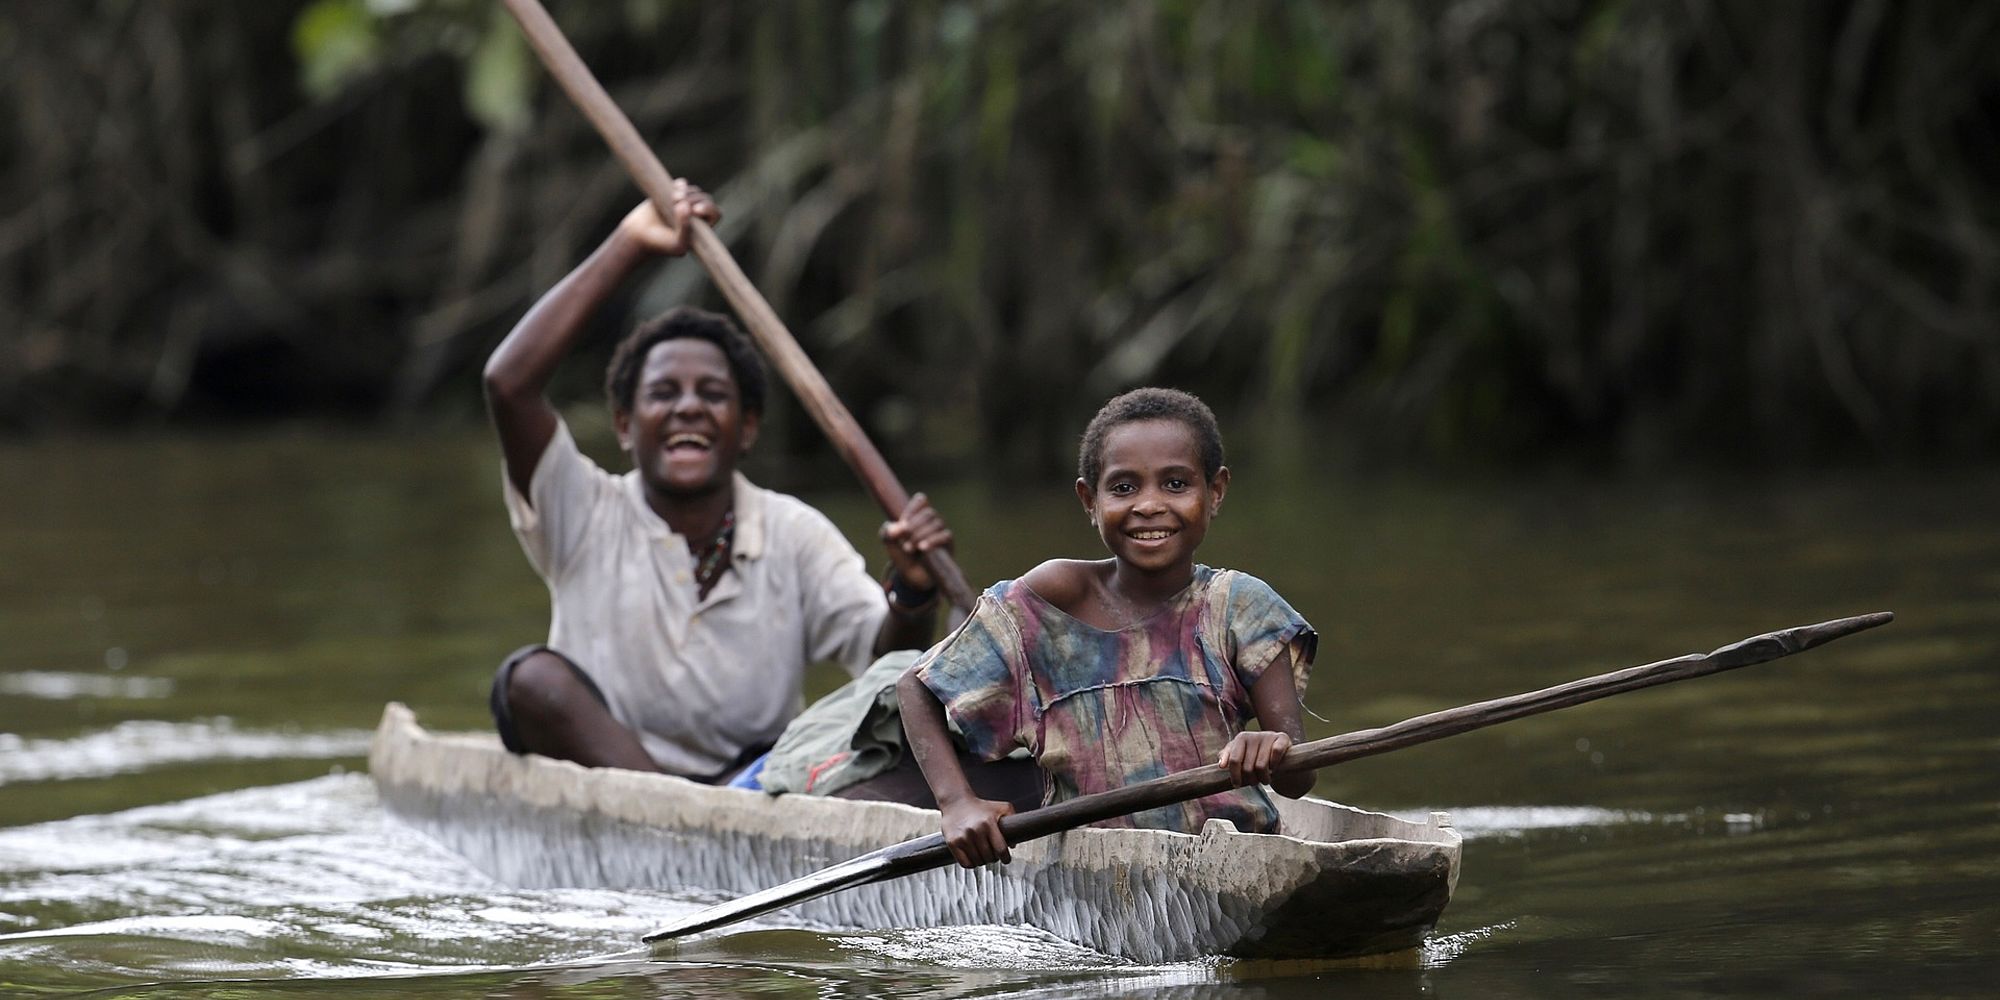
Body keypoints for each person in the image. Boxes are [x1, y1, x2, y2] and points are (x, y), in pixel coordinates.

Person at [482, 180, 953, 782]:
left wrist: (912, 594)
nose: (688, 409)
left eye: (713, 395)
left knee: (890, 713)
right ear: (625, 425)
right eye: (662, 394)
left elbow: (887, 665)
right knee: (531, 680)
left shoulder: (793, 532)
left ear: (746, 427)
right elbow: (509, 385)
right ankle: (667, 815)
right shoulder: (584, 510)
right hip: (616, 779)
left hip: (751, 781)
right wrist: (630, 244)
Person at [896, 387, 1318, 868]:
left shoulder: (1240, 607)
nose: (1149, 505)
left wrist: (1272, 749)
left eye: (1176, 484)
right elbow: (916, 685)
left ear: (1215, 492)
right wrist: (957, 804)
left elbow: (1297, 780)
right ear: (1088, 500)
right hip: (1090, 870)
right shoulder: (1049, 600)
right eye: (1123, 488)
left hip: (1236, 862)